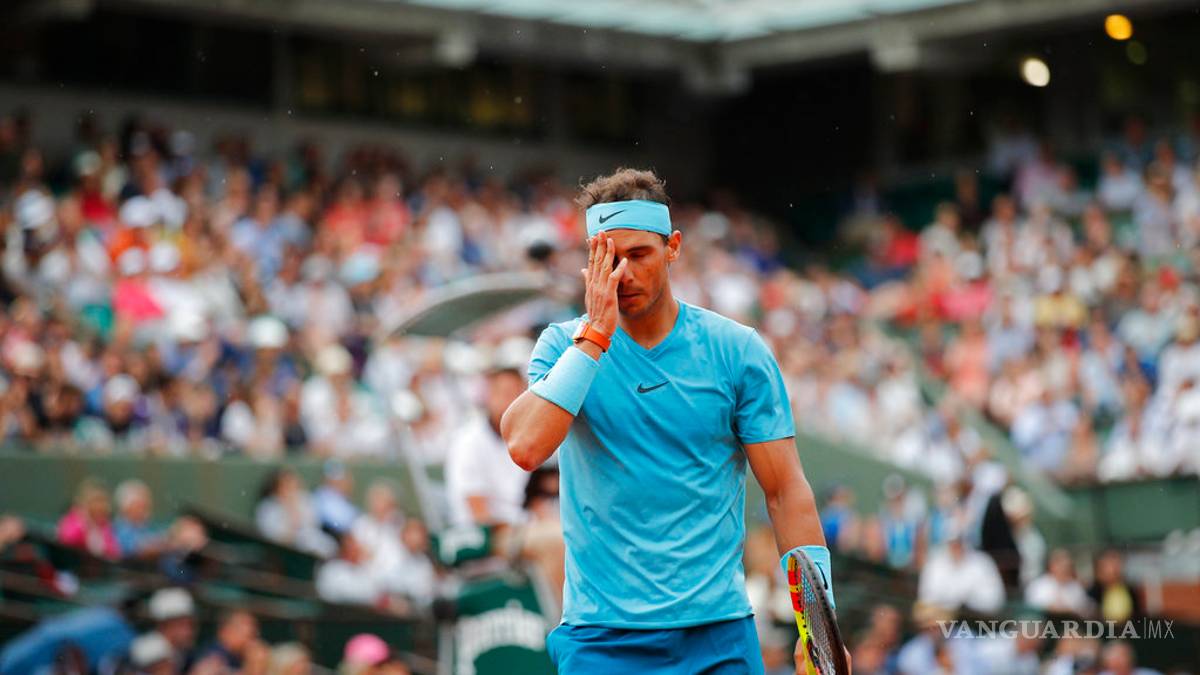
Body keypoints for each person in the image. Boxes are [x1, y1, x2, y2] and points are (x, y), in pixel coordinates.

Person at [500, 168, 842, 673]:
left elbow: (785, 491)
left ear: (673, 248)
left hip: (717, 636)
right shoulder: (563, 345)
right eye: (609, 258)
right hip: (601, 638)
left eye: (640, 255)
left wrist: (817, 628)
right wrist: (595, 336)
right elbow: (525, 447)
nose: (624, 274)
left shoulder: (736, 350)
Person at [445, 366, 530, 527]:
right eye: (506, 394)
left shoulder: (531, 436)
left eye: (519, 395)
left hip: (527, 527)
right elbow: (479, 514)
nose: (513, 401)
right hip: (483, 534)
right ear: (489, 396)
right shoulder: (468, 441)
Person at [916, 524, 1005, 614]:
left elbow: (994, 599)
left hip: (976, 619)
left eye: (959, 542)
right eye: (953, 542)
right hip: (942, 617)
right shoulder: (935, 563)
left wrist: (967, 602)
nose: (956, 547)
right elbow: (926, 597)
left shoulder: (983, 562)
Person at [56, 477, 120, 559]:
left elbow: (114, 552)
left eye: (104, 501)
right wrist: (85, 522)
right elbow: (68, 540)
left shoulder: (105, 525)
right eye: (96, 500)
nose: (101, 505)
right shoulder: (72, 520)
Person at [1025, 548, 1092, 616]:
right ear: (1051, 565)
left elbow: (1085, 608)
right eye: (1061, 565)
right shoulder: (1039, 585)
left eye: (1067, 566)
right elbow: (1037, 608)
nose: (1064, 569)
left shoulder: (1075, 586)